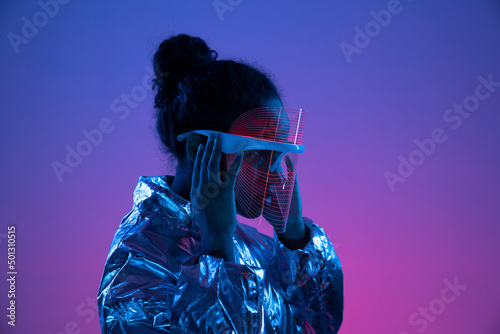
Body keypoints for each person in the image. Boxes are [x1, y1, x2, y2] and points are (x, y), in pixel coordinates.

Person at [97, 34, 343, 333]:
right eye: (256, 155)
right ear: (199, 147)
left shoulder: (254, 244)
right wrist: (215, 246)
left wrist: (294, 237)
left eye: (278, 157)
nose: (275, 174)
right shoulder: (139, 260)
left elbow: (318, 326)